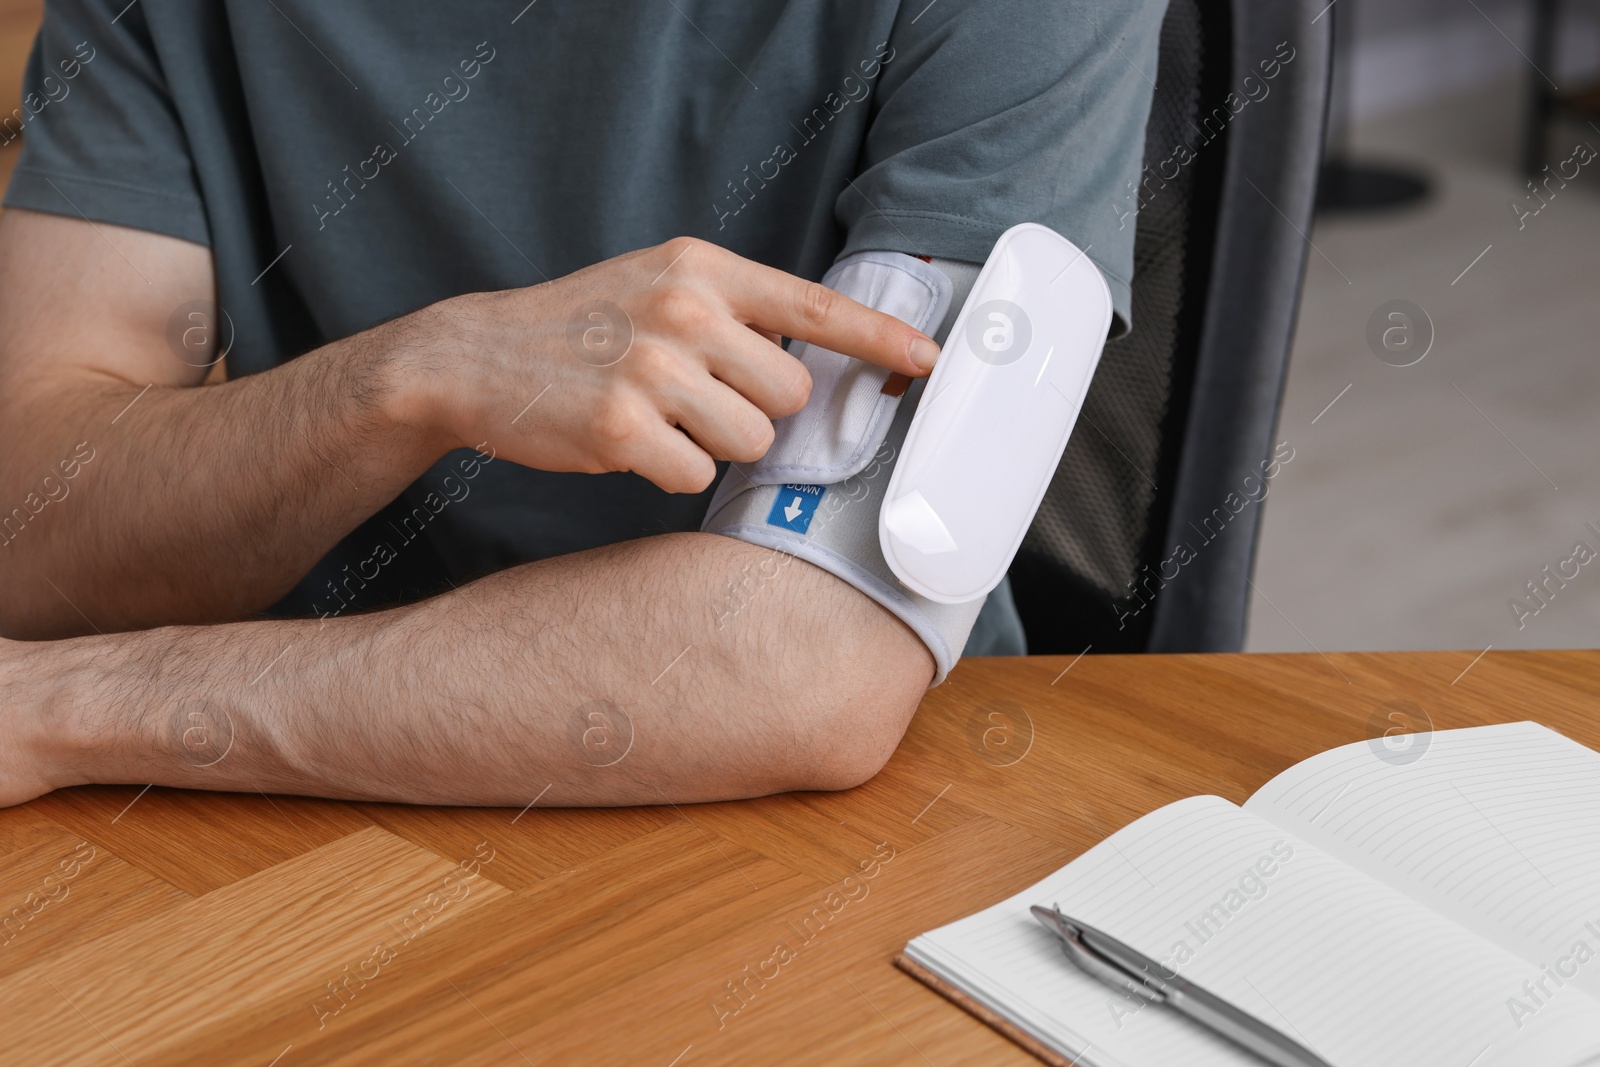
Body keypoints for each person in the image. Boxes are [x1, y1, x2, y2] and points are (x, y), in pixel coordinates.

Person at [0, 0, 1163, 808]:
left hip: (818, 817)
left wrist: (71, 706)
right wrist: (414, 379)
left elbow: (809, 659)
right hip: (280, 804)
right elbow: (33, 536)